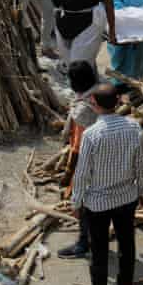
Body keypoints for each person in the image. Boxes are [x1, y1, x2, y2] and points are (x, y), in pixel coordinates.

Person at [71, 84, 143, 285]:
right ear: (117, 103)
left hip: (98, 203)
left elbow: (82, 173)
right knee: (127, 246)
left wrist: (76, 202)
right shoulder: (134, 128)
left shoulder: (92, 134)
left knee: (100, 251)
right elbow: (141, 164)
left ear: (94, 104)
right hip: (126, 197)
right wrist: (141, 189)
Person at [58, 61, 100, 260]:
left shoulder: (84, 108)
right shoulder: (99, 93)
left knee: (83, 202)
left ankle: (84, 243)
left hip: (89, 160)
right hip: (103, 158)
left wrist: (69, 174)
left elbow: (77, 146)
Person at [45, 0, 118, 69]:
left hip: (88, 24)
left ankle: (89, 84)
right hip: (64, 24)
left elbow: (108, 2)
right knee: (71, 63)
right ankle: (90, 80)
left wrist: (112, 31)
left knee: (79, 64)